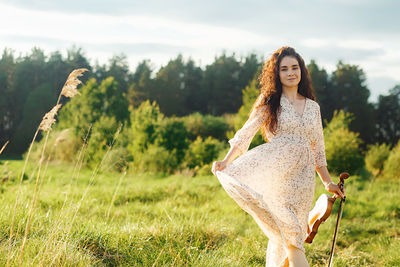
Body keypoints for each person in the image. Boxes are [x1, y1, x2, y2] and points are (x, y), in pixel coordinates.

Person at [211, 46, 345, 267]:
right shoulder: (270, 100)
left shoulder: (313, 108)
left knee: (293, 235)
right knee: (292, 234)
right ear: (277, 73)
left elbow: (318, 149)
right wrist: (226, 161)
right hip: (277, 176)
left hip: (302, 181)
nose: (291, 72)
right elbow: (247, 132)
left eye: (295, 67)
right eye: (284, 69)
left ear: (301, 71)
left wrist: (328, 182)